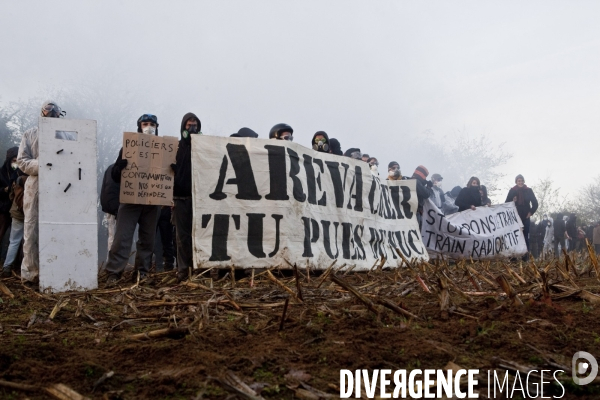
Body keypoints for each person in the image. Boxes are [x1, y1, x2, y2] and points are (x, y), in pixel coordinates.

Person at [105, 114, 163, 284]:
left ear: (157, 126)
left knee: (147, 239)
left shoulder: (164, 149)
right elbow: (116, 177)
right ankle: (114, 273)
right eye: (145, 124)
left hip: (152, 202)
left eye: (152, 124)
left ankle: (141, 274)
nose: (149, 127)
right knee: (122, 237)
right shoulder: (128, 147)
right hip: (130, 201)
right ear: (139, 126)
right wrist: (119, 168)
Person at [17, 101, 64, 283]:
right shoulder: (30, 134)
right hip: (36, 183)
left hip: (62, 185)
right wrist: (43, 163)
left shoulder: (66, 134)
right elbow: (22, 161)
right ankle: (31, 274)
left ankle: (57, 271)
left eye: (55, 110)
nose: (51, 113)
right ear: (41, 112)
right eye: (48, 109)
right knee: (32, 228)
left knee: (58, 227)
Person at [172, 112, 202, 282]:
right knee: (182, 237)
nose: (192, 127)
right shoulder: (175, 148)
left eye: (195, 125)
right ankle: (183, 269)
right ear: (183, 127)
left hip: (198, 199)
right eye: (189, 124)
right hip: (180, 197)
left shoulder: (203, 147)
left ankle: (198, 268)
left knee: (198, 235)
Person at [505, 174, 538, 256]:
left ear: (524, 181)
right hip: (514, 217)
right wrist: (513, 200)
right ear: (516, 182)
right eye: (519, 181)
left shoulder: (529, 190)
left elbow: (535, 203)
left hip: (525, 216)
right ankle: (514, 256)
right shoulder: (512, 191)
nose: (520, 182)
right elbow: (506, 203)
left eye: (522, 180)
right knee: (514, 236)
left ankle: (525, 256)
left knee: (525, 236)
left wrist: (531, 212)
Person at [2, 173, 26, 277]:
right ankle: (25, 268)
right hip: (29, 215)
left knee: (14, 241)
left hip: (16, 213)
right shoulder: (32, 179)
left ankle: (7, 267)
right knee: (29, 242)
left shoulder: (17, 179)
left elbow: (11, 196)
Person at [0, 147, 19, 250]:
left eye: (18, 160)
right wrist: (4, 190)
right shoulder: (1, 173)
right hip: (3, 209)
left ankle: (10, 262)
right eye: (14, 160)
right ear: (9, 160)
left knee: (15, 239)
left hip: (16, 209)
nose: (16, 163)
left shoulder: (19, 173)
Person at [100, 163, 120, 256]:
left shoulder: (110, 168)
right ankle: (113, 261)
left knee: (112, 235)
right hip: (115, 208)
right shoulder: (118, 169)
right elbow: (113, 190)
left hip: (109, 207)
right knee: (116, 236)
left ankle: (111, 262)